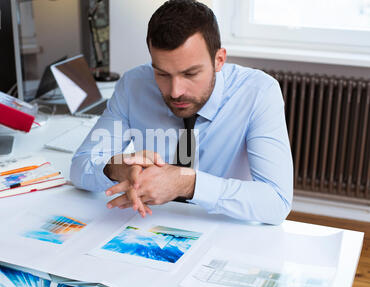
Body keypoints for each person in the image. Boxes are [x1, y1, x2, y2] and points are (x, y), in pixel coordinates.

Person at [70, 0, 293, 225]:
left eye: (190, 74)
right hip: (148, 225)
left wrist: (187, 183)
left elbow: (277, 201)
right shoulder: (133, 85)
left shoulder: (258, 92)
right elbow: (80, 166)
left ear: (219, 60)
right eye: (162, 74)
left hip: (223, 230)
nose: (175, 92)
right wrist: (116, 168)